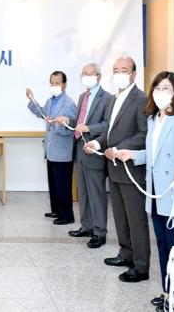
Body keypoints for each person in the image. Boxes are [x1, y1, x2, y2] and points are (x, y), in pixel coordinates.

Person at [117, 71, 174, 311]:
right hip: (156, 195)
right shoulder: (153, 119)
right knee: (163, 246)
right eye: (157, 88)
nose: (161, 93)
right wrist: (133, 155)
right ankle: (167, 292)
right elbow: (153, 155)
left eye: (166, 88)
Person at [85, 56, 150, 283]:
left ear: (134, 74)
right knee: (121, 217)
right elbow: (109, 133)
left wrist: (118, 148)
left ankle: (141, 267)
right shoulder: (113, 99)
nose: (119, 74)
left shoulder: (141, 99)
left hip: (131, 169)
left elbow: (143, 134)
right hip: (114, 169)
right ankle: (126, 254)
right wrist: (97, 144)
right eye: (116, 70)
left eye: (124, 69)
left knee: (136, 219)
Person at [65, 62, 112, 248]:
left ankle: (99, 232)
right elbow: (79, 121)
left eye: (91, 74)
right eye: (84, 74)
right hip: (79, 148)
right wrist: (67, 120)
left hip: (94, 150)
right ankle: (86, 226)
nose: (87, 77)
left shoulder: (107, 98)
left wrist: (89, 128)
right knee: (83, 191)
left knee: (96, 193)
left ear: (99, 76)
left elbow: (108, 125)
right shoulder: (82, 97)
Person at [26, 71, 77, 225]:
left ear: (64, 85)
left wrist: (56, 124)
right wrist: (31, 99)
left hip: (62, 151)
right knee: (54, 184)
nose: (54, 86)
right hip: (51, 150)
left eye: (57, 83)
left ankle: (66, 215)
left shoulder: (69, 103)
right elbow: (42, 113)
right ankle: (56, 210)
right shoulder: (50, 101)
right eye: (52, 83)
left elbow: (71, 128)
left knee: (63, 185)